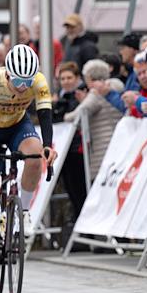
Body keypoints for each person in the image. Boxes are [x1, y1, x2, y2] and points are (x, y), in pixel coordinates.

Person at [0, 44, 58, 289]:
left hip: (17, 126)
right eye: (18, 80)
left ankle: (25, 212)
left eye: (27, 81)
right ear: (7, 73)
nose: (23, 86)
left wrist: (48, 146)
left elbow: (45, 114)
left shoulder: (38, 81)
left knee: (34, 155)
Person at [64, 60, 124, 179]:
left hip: (102, 145)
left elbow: (78, 113)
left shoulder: (96, 92)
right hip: (120, 140)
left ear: (89, 77)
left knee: (103, 182)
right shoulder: (117, 87)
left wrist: (65, 116)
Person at [52, 62, 87, 220]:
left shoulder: (82, 95)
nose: (66, 81)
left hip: (77, 149)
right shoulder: (60, 97)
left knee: (80, 190)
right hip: (63, 149)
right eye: (62, 78)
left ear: (77, 78)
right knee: (71, 191)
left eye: (69, 78)